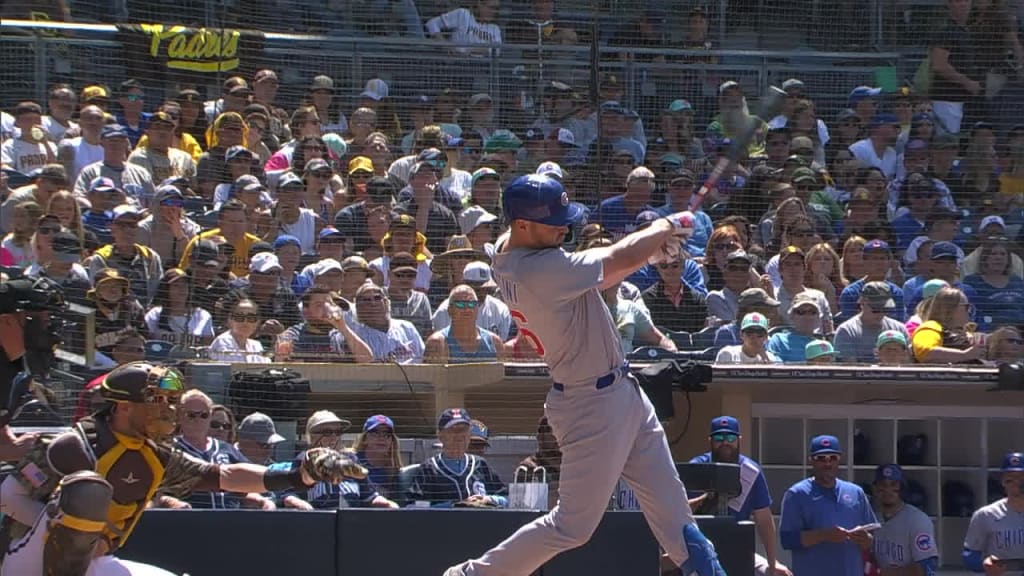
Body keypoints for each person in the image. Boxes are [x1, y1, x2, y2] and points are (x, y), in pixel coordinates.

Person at [443, 174, 725, 575]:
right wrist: (662, 227)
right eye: (553, 220)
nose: (564, 227)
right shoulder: (533, 269)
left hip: (620, 392)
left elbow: (606, 272)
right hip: (590, 403)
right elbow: (614, 261)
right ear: (522, 224)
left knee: (676, 516)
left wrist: (652, 251)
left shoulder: (510, 248)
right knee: (571, 527)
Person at [0, 362, 367, 576]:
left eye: (172, 401)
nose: (168, 409)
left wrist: (300, 471)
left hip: (93, 563)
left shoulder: (153, 455)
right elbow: (8, 497)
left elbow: (221, 476)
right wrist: (75, 530)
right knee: (88, 492)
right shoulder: (74, 445)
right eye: (157, 400)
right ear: (123, 407)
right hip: (28, 563)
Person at [689, 417, 791, 576]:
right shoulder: (697, 467)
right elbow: (679, 509)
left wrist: (772, 563)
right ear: (710, 440)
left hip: (738, 546)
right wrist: (708, 498)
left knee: (781, 574)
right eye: (718, 438)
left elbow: (764, 520)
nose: (725, 443)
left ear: (739, 440)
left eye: (730, 438)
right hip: (701, 545)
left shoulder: (750, 470)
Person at [779, 435, 878, 576]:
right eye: (821, 458)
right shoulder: (797, 494)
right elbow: (787, 540)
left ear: (839, 459)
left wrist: (867, 540)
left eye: (832, 457)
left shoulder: (856, 492)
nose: (827, 464)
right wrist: (824, 535)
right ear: (811, 460)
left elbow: (873, 535)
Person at [408, 408, 507, 507]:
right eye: (453, 430)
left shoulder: (480, 464)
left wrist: (488, 499)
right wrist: (453, 506)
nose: (459, 435)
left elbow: (508, 498)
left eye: (463, 430)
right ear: (440, 435)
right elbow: (415, 508)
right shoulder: (429, 469)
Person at [870, 464, 939, 575]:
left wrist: (884, 573)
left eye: (894, 485)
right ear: (875, 489)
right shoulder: (871, 519)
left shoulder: (918, 520)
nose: (888, 490)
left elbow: (925, 567)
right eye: (882, 485)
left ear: (902, 488)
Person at [962, 452, 1024, 574]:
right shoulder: (986, 514)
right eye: (1010, 479)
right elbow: (969, 554)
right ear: (1003, 481)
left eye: (1021, 478)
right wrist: (983, 565)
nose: (1016, 483)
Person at [425, 284, 504, 364]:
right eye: (460, 305)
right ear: (450, 311)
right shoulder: (438, 344)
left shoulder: (495, 343)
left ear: (477, 309)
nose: (466, 309)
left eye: (471, 304)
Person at [352, 414, 404, 502]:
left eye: (387, 434)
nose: (381, 438)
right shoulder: (353, 462)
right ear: (365, 438)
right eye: (375, 433)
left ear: (392, 441)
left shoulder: (394, 468)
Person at [715, 312, 781, 364]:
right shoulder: (727, 354)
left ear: (766, 337)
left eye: (759, 333)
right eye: (750, 332)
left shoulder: (771, 359)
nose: (754, 337)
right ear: (741, 335)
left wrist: (768, 365)